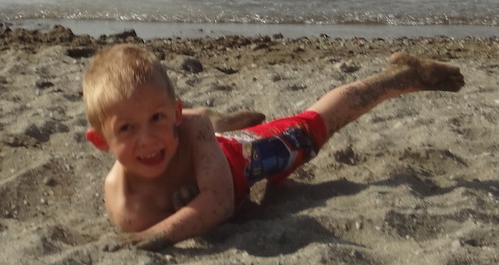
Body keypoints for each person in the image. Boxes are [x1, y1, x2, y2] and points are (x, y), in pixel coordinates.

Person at [83, 43, 464, 250]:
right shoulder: (127, 207)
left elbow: (218, 202)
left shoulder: (190, 127)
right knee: (201, 137)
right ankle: (224, 123)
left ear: (176, 113)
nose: (147, 139)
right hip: (207, 146)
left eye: (157, 119)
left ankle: (401, 77)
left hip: (238, 158)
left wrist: (159, 236)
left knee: (312, 126)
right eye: (127, 128)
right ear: (101, 141)